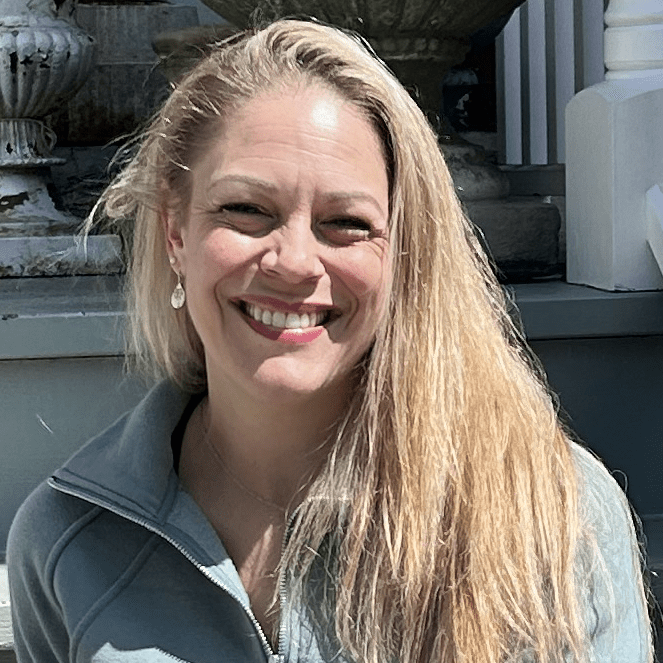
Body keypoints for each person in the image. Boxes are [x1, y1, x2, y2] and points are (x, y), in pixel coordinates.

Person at [7, 19, 654, 663]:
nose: (292, 261)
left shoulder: (548, 508)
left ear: (402, 249)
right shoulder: (68, 537)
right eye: (245, 210)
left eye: (345, 222)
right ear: (176, 232)